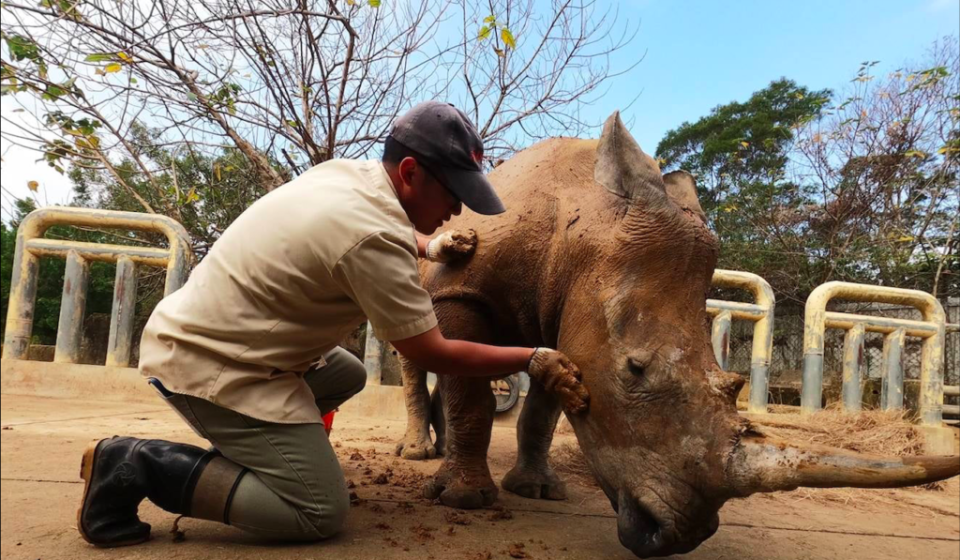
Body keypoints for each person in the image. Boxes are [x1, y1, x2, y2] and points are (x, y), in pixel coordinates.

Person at [76, 102, 589, 547]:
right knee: (317, 512)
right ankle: (135, 465)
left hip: (214, 334)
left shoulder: (349, 176)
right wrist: (531, 358)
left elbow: (370, 230)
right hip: (209, 365)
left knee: (345, 373)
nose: (458, 209)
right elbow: (434, 352)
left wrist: (427, 245)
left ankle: (252, 457)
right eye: (453, 192)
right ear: (411, 173)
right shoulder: (371, 236)